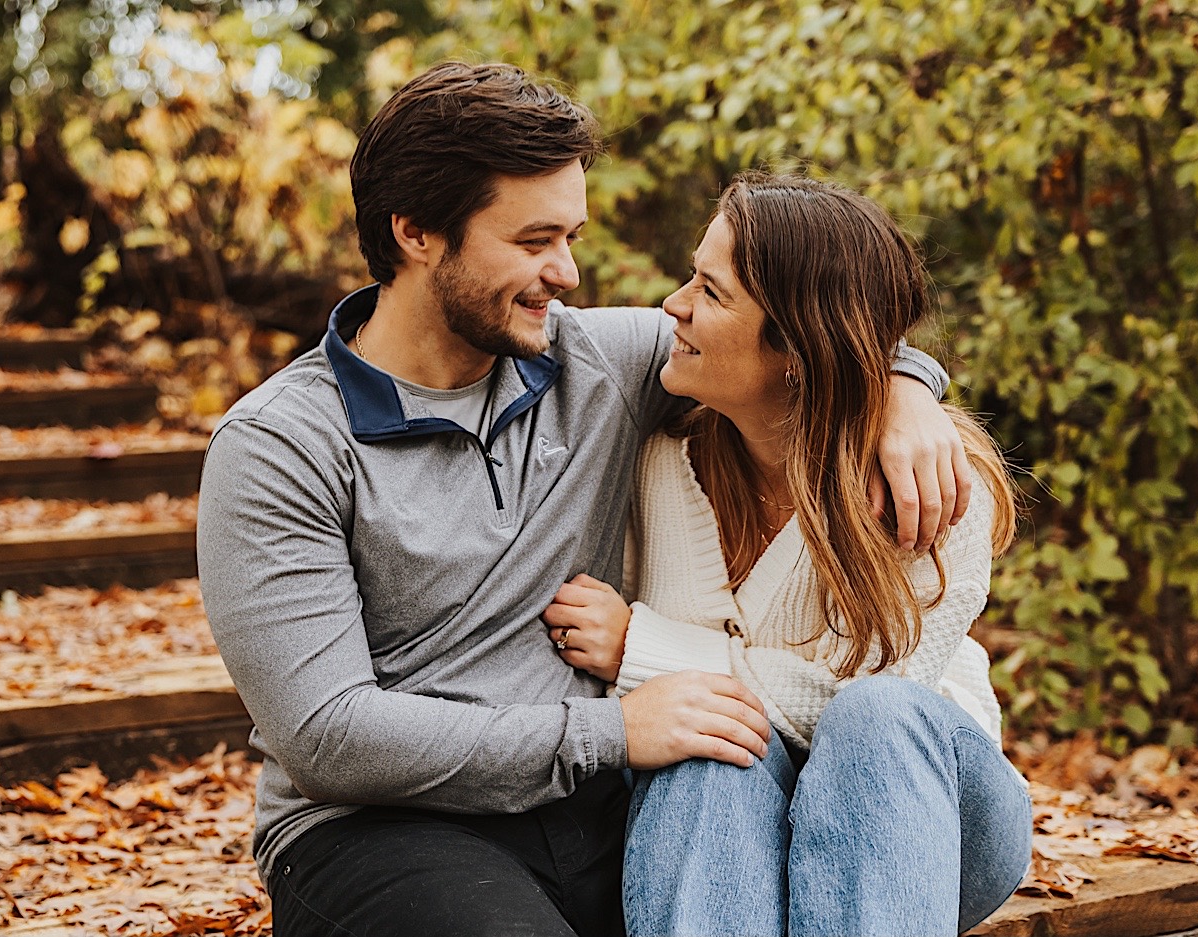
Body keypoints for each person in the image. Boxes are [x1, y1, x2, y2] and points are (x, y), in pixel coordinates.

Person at [197, 63, 972, 937]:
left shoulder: (598, 361)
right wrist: (610, 732)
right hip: (388, 832)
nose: (566, 271)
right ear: (415, 232)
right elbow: (329, 737)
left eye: (571, 235)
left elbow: (804, 333)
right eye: (534, 240)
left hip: (611, 807)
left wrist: (906, 388)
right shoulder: (280, 445)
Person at [543, 172, 1032, 937]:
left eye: (710, 291)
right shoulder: (656, 458)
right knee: (702, 743)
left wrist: (644, 645)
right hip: (728, 834)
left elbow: (857, 702)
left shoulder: (929, 483)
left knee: (875, 714)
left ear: (795, 348)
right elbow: (644, 716)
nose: (672, 305)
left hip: (927, 819)